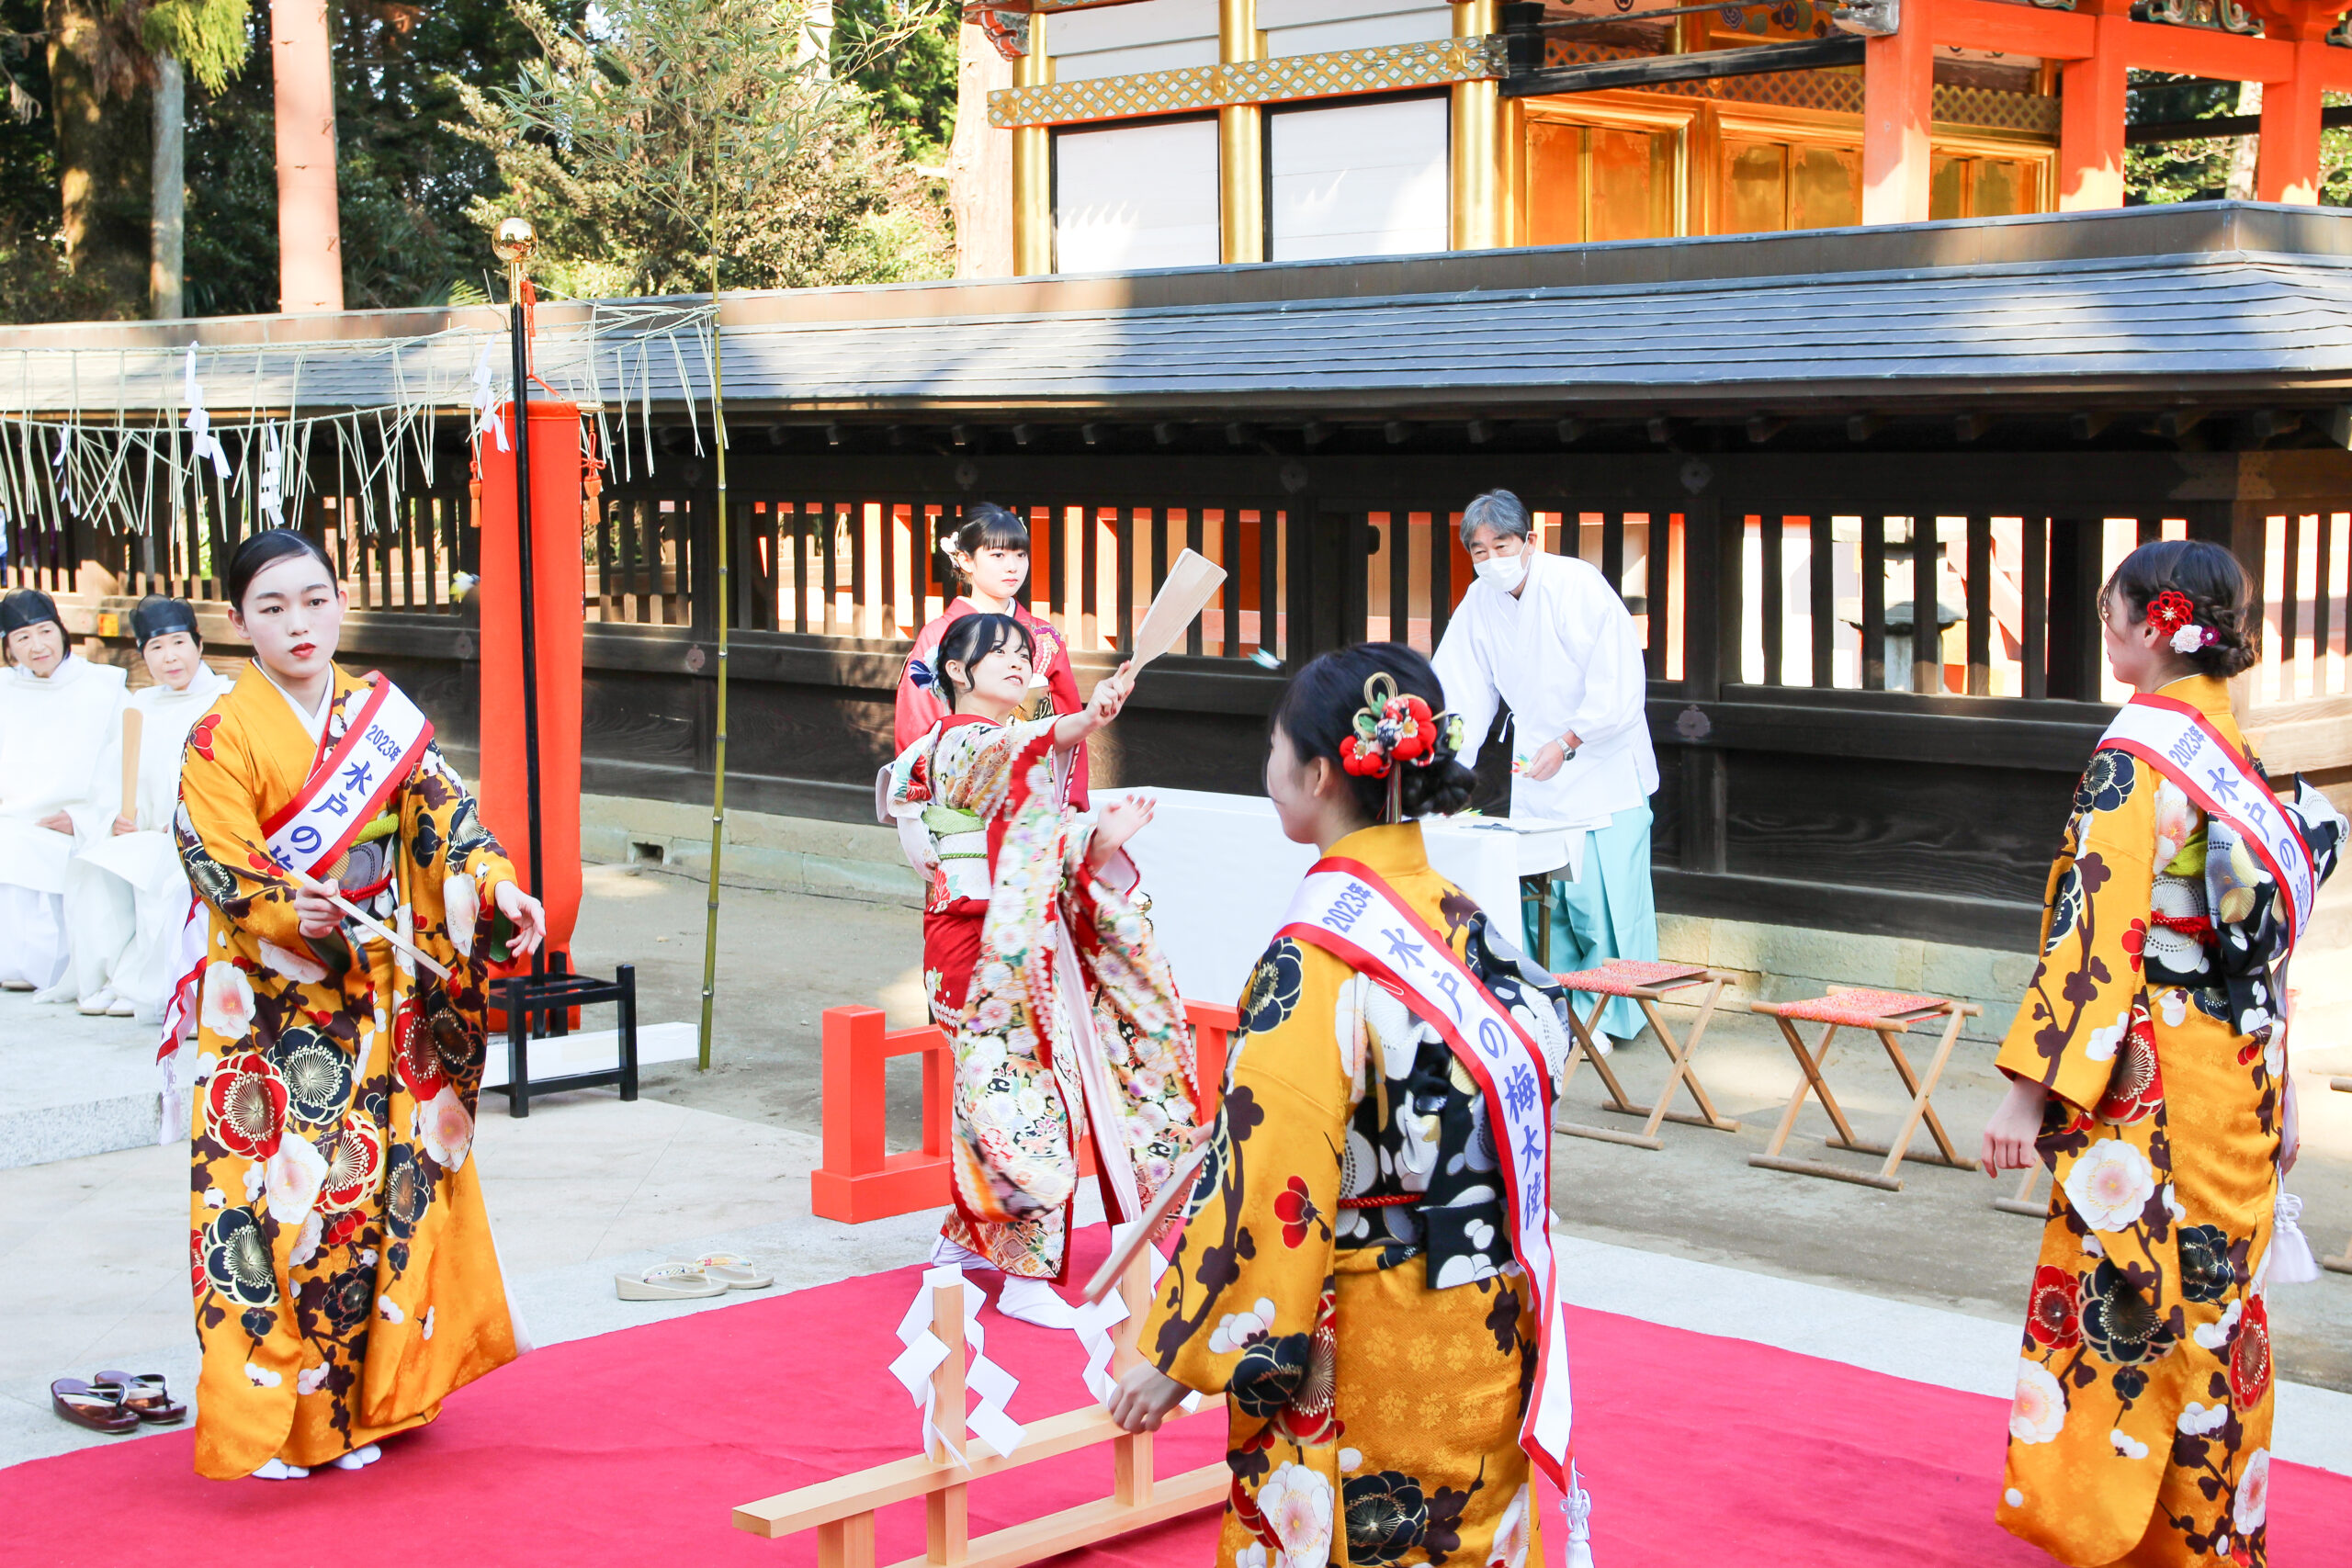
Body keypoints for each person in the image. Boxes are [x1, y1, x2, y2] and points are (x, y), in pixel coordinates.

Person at [1106, 642, 1592, 1568]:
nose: (1271, 771)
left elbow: (1270, 1179)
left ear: (1318, 773)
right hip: (1488, 1319)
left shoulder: (1319, 957)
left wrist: (1176, 1358)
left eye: (1276, 751)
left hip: (1371, 1340)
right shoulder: (1465, 922)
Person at [1980, 539, 2346, 1568]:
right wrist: (2283, 1082)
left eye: (2111, 615)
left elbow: (2095, 933)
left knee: (2138, 1296)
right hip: (2240, 1068)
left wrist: (2024, 1093)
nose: (2106, 632)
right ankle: (2216, 1528)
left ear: (2154, 625)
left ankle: (2137, 1533)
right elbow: (2261, 949)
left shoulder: (2136, 751)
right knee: (2221, 1305)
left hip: (2155, 1075)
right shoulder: (2237, 748)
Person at [175, 528, 548, 1482]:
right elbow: (218, 860)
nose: (298, 623)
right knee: (275, 1209)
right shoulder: (221, 736)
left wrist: (494, 885)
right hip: (272, 1006)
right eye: (271, 607)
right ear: (236, 622)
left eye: (312, 599)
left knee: (369, 1199)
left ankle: (362, 1405)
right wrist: (277, 904)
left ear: (342, 600)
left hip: (378, 994)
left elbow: (447, 822)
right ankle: (280, 1419)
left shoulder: (381, 717)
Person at [882, 611, 1195, 1327]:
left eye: (1025, 652)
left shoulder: (999, 746)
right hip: (978, 946)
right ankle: (1024, 1279)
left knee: (1000, 1099)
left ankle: (961, 1239)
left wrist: (1093, 834)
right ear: (958, 672)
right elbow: (1021, 760)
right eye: (1000, 653)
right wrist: (1085, 720)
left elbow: (1033, 826)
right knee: (1033, 1107)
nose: (1019, 662)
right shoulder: (960, 743)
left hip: (1008, 939)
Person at [1432, 489, 1657, 1045]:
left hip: (1601, 762)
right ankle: (1553, 1011)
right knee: (1542, 905)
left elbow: (1620, 681)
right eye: (1478, 551)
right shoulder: (1478, 602)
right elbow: (1459, 688)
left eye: (1500, 545)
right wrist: (1441, 765)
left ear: (1531, 541)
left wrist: (1572, 738)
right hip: (1536, 762)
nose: (1490, 560)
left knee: (1601, 906)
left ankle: (1609, 1015)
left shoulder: (1577, 585)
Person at [46, 596, 232, 1019]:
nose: (170, 657)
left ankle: (148, 988)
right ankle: (111, 978)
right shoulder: (140, 706)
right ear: (143, 655)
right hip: (145, 831)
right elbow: (109, 779)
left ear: (199, 645)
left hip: (198, 832)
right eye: (156, 648)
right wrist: (116, 816)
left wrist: (182, 823)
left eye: (178, 643)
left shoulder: (228, 699)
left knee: (164, 872)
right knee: (94, 865)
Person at [897, 502, 1089, 810]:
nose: (1012, 566)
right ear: (965, 560)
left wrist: (1071, 800)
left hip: (1032, 791)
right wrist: (920, 805)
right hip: (959, 791)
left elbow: (1068, 718)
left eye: (1020, 555)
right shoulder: (938, 636)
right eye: (997, 555)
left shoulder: (1045, 638)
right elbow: (918, 725)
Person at [0, 588, 127, 990]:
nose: (37, 646)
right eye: (22, 638)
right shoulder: (5, 689)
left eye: (45, 631)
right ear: (8, 647)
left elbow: (125, 765)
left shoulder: (104, 688)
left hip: (75, 819)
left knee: (30, 845)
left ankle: (45, 970)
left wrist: (84, 817)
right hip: (12, 815)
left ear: (62, 631)